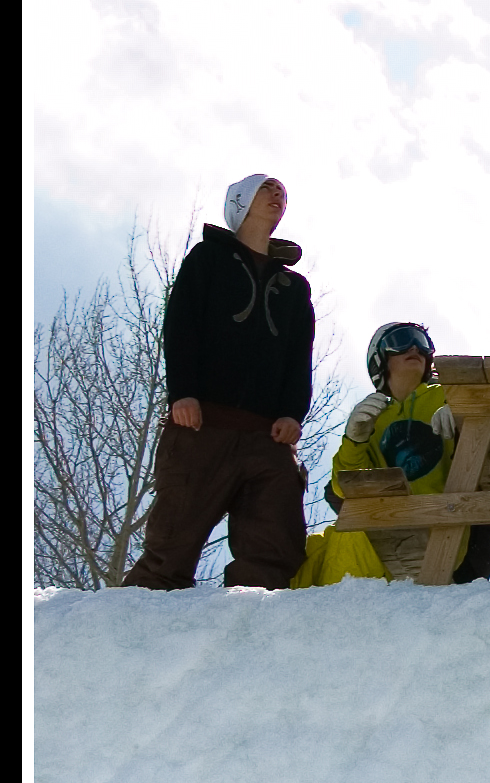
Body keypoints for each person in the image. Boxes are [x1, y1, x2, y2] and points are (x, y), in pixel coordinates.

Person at [120, 172, 314, 591]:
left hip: (268, 437)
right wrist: (183, 393)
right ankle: (122, 638)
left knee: (272, 552)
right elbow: (182, 326)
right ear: (241, 202)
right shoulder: (206, 260)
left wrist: (292, 413)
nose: (277, 195)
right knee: (170, 549)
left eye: (282, 191)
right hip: (202, 426)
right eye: (266, 188)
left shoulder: (295, 288)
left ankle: (249, 632)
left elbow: (299, 358)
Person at [304, 322, 469, 586]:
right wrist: (355, 439)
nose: (414, 347)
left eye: (421, 342)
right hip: (387, 531)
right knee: (338, 537)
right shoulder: (373, 416)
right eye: (401, 340)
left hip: (441, 528)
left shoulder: (450, 394)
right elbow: (343, 486)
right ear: (379, 359)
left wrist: (467, 412)